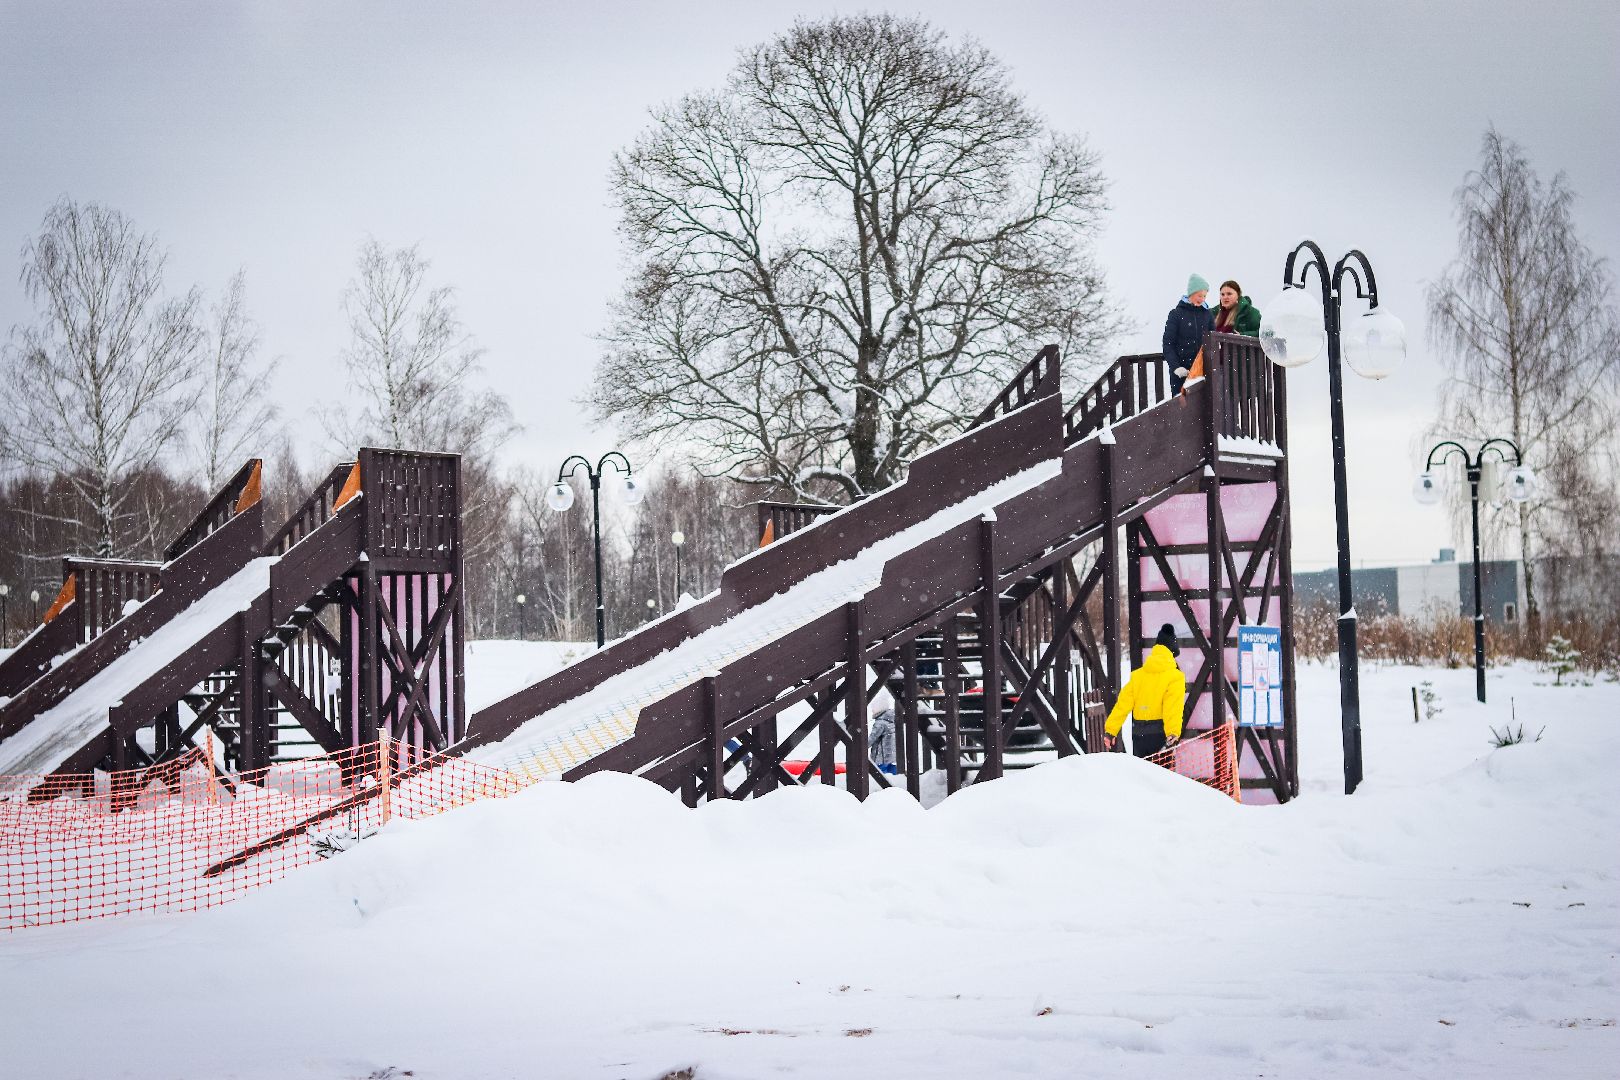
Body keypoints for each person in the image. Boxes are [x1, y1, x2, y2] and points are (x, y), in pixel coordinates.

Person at [1103, 624, 1187, 759]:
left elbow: (1122, 705)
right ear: (1172, 653)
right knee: (1160, 773)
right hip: (1160, 736)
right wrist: (1173, 732)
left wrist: (1111, 731)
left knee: (1141, 772)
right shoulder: (1176, 677)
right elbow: (1172, 707)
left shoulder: (1137, 676)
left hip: (1138, 735)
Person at [1163, 274, 1214, 395]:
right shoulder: (1176, 314)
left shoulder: (1207, 315)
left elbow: (1213, 341)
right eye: (1199, 295)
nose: (1202, 299)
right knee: (1182, 404)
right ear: (1191, 293)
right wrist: (1176, 367)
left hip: (1202, 371)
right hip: (1181, 372)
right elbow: (1168, 343)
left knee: (1203, 404)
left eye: (1204, 296)